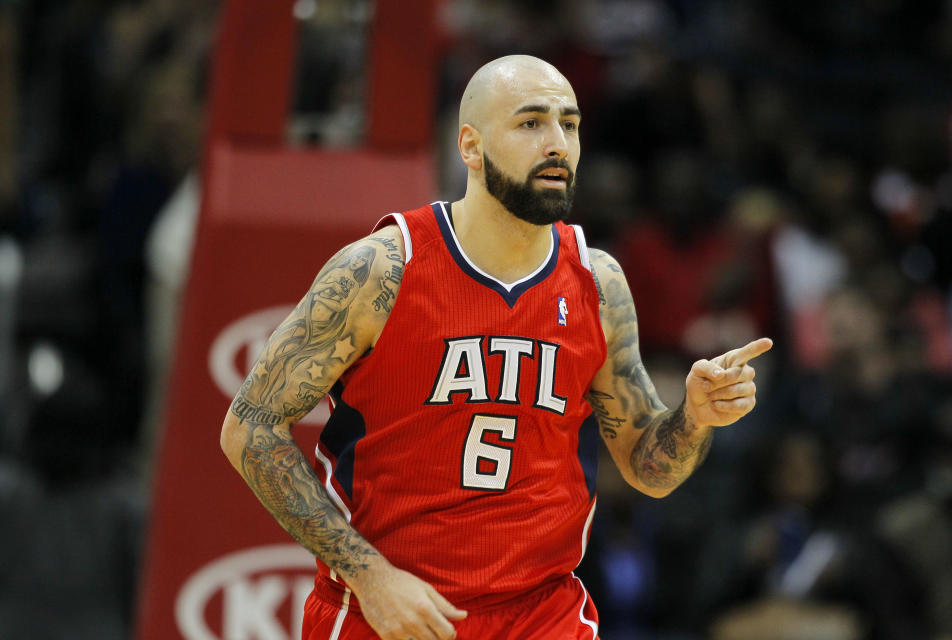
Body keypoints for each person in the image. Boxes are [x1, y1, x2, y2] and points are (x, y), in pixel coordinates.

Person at [220, 54, 772, 640]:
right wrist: (371, 576)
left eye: (570, 124)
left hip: (541, 613)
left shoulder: (598, 282)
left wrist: (695, 417)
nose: (557, 142)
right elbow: (250, 427)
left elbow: (648, 469)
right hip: (393, 608)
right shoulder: (381, 269)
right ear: (470, 146)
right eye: (530, 123)